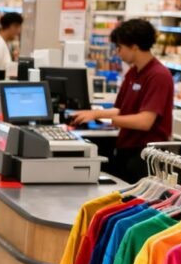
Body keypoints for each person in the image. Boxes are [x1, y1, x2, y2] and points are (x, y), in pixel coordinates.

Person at [70, 18, 173, 183]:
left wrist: (107, 119)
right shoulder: (133, 73)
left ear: (134, 46)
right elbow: (122, 109)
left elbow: (145, 121)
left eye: (120, 47)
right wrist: (94, 113)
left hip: (145, 155)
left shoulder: (158, 76)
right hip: (127, 149)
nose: (118, 52)